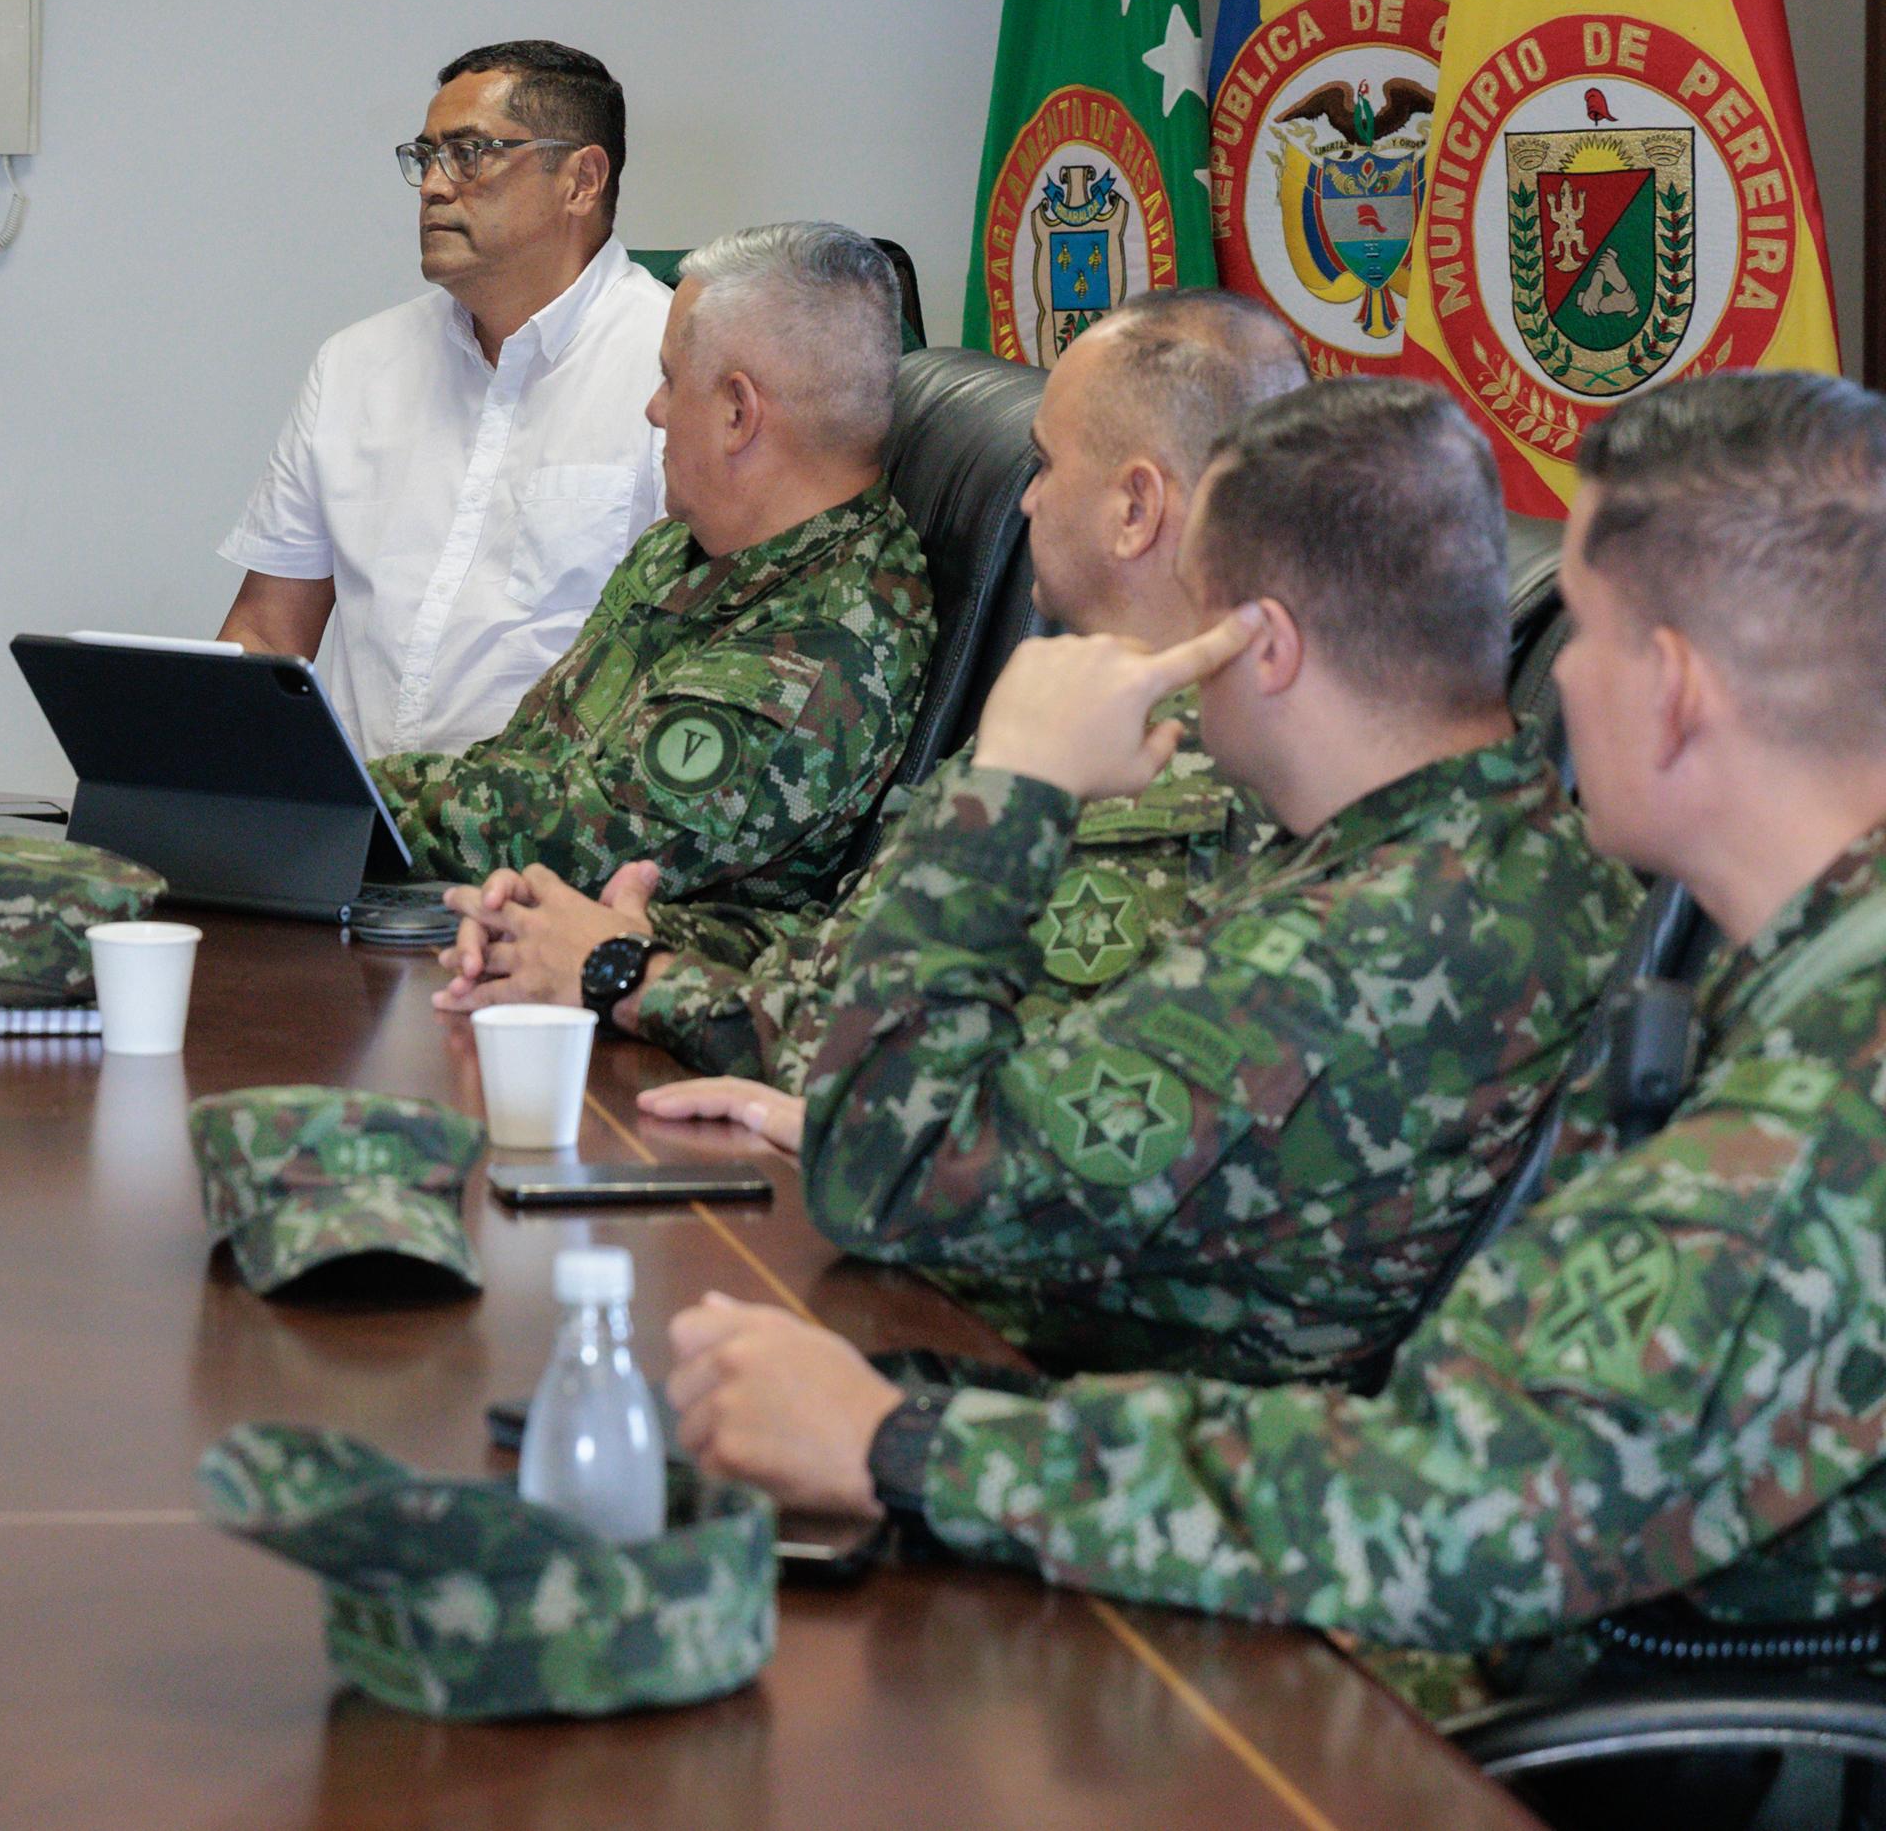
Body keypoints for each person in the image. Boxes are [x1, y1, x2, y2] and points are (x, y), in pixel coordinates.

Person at [664, 374, 1886, 1677]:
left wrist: (899, 1442)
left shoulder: (1830, 1095)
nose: (1556, 680)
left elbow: (1456, 1503)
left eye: (1579, 630)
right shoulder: (1790, 970)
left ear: (1677, 691)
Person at [734, 379, 1634, 1382]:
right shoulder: (1527, 848)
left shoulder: (1336, 954)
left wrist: (1013, 788)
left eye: (1198, 608)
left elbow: (878, 1168)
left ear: (1263, 647)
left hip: (1087, 1444)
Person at [447, 291, 1308, 1085]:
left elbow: (913, 1068)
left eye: (1044, 465)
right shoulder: (1090, 699)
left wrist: (627, 974)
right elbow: (858, 949)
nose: (1029, 499)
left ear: (1135, 508)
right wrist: (611, 929)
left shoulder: (1179, 766)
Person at [376, 221, 934, 968]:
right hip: (488, 924)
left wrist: (343, 794)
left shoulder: (827, 645)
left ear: (738, 413)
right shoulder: (696, 541)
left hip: (620, 1015)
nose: (654, 409)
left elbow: (579, 839)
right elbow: (528, 759)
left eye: (672, 380)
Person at [216, 42, 672, 760]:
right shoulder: (354, 367)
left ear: (582, 180)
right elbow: (268, 637)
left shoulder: (678, 369)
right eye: (425, 157)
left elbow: (704, 666)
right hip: (365, 839)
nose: (432, 185)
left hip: (555, 846)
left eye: (470, 154)